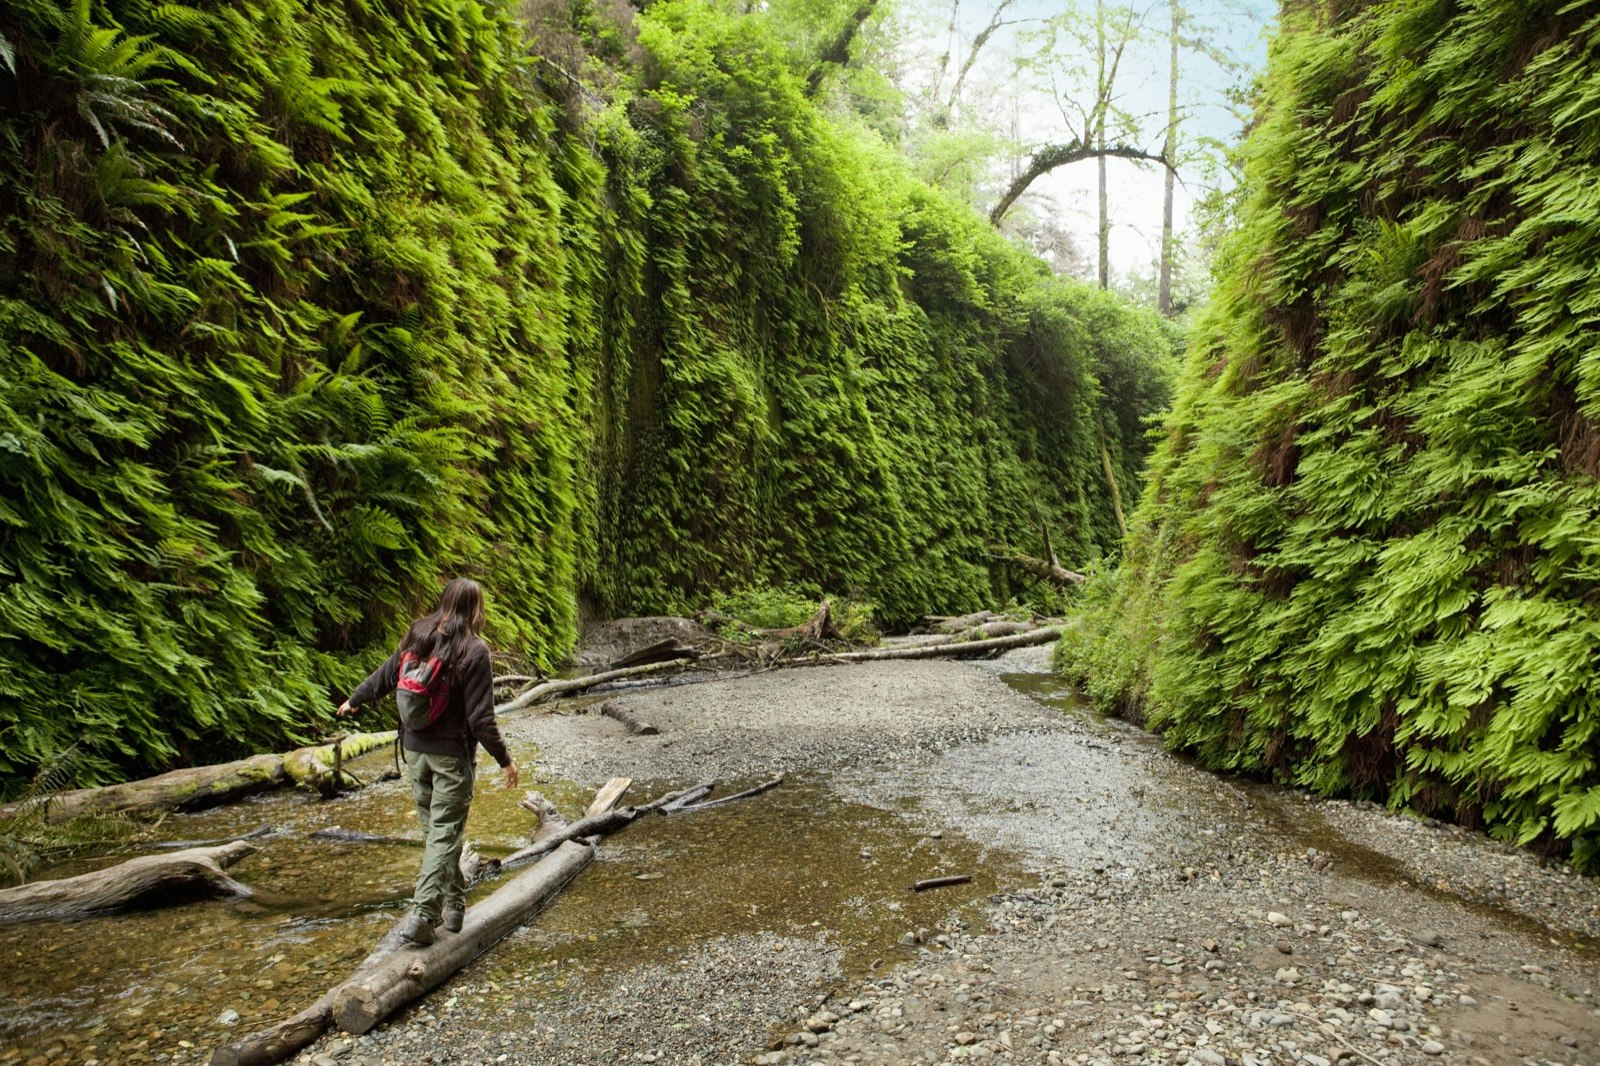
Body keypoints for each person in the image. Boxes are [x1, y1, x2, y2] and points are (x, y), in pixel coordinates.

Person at [338, 577, 520, 944]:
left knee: (439, 835)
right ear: (476, 609)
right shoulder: (474, 650)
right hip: (450, 759)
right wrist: (505, 760)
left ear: (444, 601)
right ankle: (423, 914)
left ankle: (453, 907)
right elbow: (481, 718)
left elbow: (387, 674)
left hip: (415, 752)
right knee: (443, 836)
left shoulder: (419, 633)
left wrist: (355, 699)